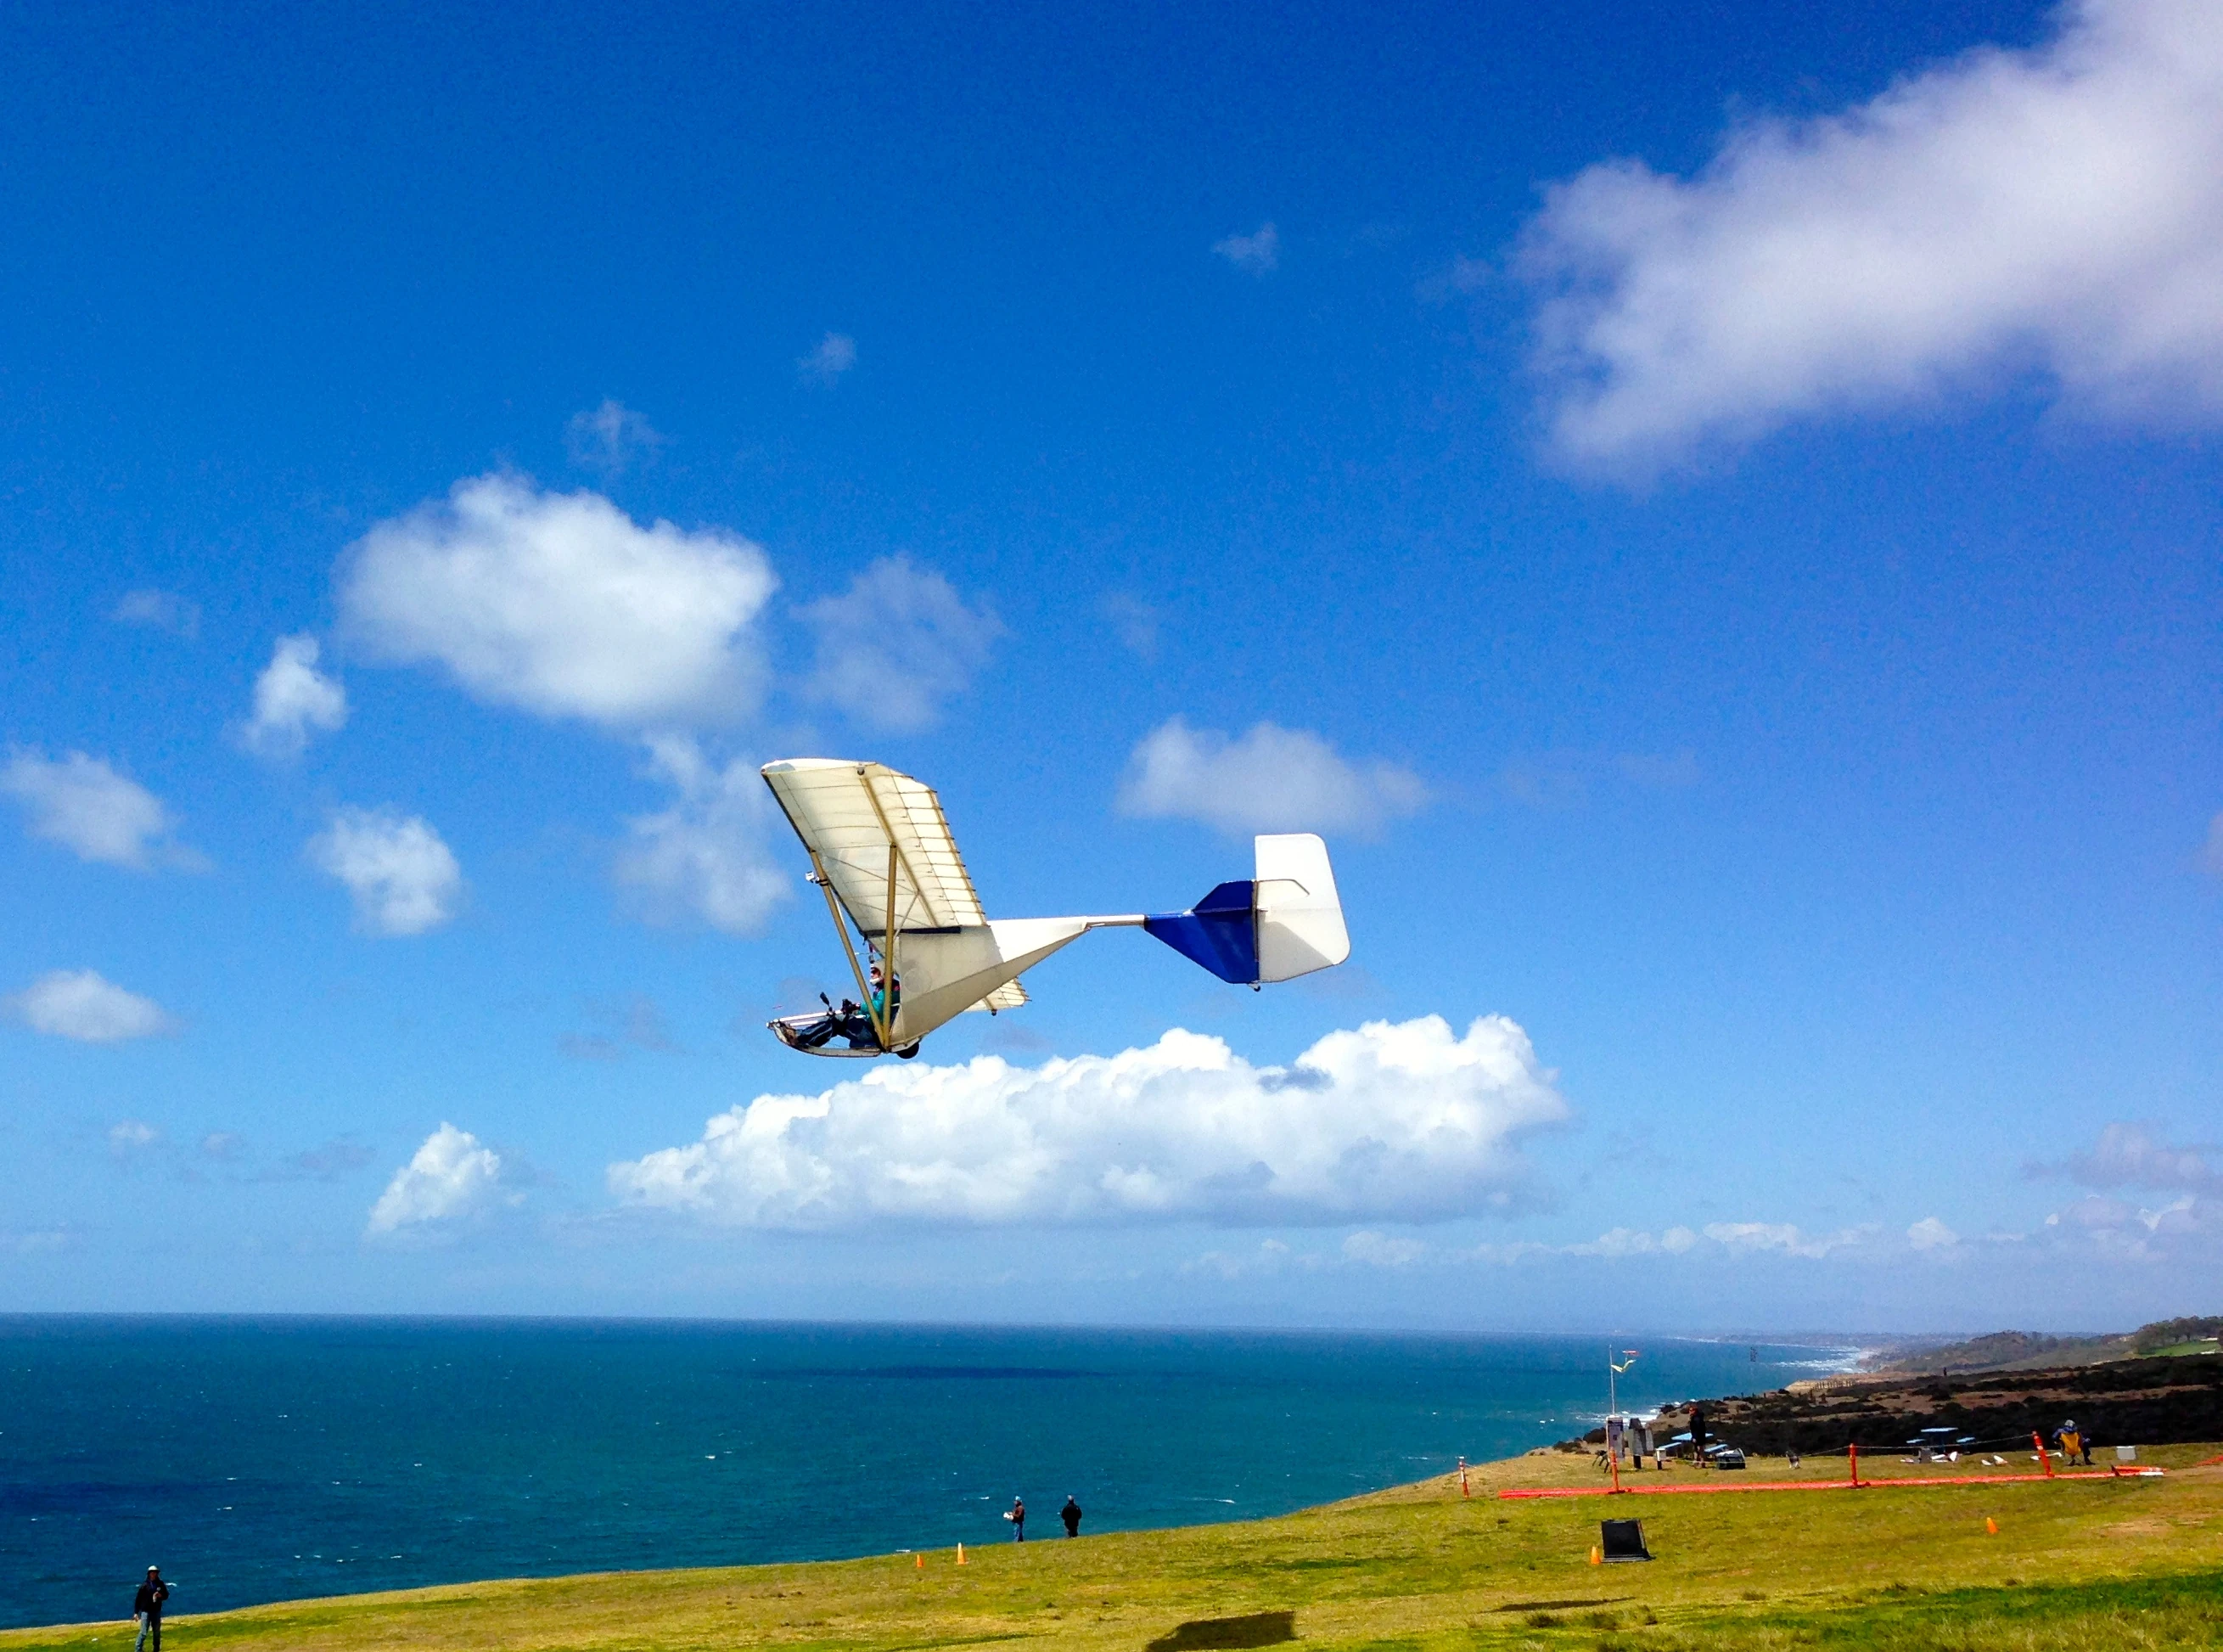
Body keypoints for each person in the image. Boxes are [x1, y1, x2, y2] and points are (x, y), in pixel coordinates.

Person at [132, 1566, 170, 1652]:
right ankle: (138, 1649)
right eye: (152, 1572)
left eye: (155, 1572)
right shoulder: (145, 1586)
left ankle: (156, 1649)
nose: (154, 1574)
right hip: (146, 1612)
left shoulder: (160, 1584)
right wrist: (136, 1612)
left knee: (156, 1632)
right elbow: (138, 1599)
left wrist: (160, 1596)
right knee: (144, 1632)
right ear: (149, 1574)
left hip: (156, 1611)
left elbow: (166, 1595)